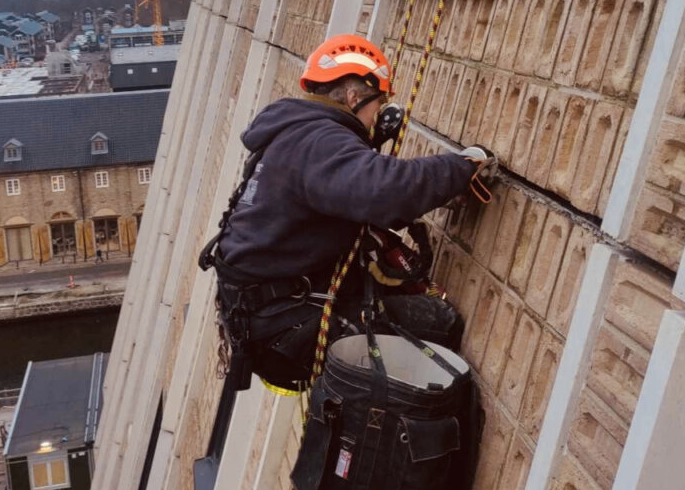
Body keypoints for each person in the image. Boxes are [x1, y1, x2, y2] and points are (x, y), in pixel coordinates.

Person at [201, 33, 495, 391]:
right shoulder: (320, 142)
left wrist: (437, 192)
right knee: (440, 323)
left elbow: (354, 193)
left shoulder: (293, 133)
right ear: (355, 97)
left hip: (269, 321)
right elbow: (386, 191)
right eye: (378, 104)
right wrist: (462, 167)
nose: (376, 117)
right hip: (290, 330)